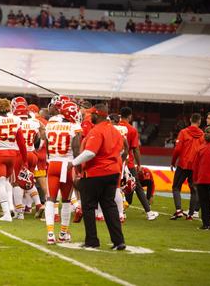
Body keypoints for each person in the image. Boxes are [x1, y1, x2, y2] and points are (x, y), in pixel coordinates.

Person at [69, 104, 125, 250]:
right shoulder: (114, 130)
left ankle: (92, 240)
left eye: (92, 114)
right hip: (113, 172)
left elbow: (90, 152)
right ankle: (119, 241)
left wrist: (73, 163)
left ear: (98, 115)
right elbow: (122, 149)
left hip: (96, 173)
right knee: (109, 206)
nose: (90, 116)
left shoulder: (97, 131)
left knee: (88, 207)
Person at [0, 98, 27, 222]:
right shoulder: (15, 120)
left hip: (0, 155)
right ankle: (11, 207)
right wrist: (25, 160)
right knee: (7, 181)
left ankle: (7, 213)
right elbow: (22, 142)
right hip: (13, 155)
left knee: (0, 183)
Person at [43, 101, 82, 244]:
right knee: (66, 200)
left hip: (53, 163)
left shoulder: (50, 124)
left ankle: (50, 234)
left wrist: (50, 159)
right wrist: (79, 168)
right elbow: (77, 149)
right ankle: (63, 233)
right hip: (68, 164)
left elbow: (47, 146)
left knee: (50, 199)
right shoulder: (74, 126)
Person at [119, 107, 158, 220]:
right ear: (130, 116)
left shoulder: (114, 127)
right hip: (128, 163)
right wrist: (139, 164)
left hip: (115, 162)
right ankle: (149, 213)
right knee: (137, 187)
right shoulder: (131, 130)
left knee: (115, 187)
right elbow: (135, 149)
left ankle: (110, 212)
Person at [170, 113, 203, 220]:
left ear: (190, 120)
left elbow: (178, 149)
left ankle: (179, 210)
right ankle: (190, 214)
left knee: (176, 187)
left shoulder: (183, 132)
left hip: (183, 164)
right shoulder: (202, 135)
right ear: (199, 121)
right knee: (194, 189)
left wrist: (173, 162)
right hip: (195, 166)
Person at [192, 127, 210, 230]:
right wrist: (195, 179)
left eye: (208, 132)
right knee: (204, 203)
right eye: (205, 132)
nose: (205, 134)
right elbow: (196, 165)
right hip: (202, 180)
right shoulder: (201, 147)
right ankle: (206, 225)